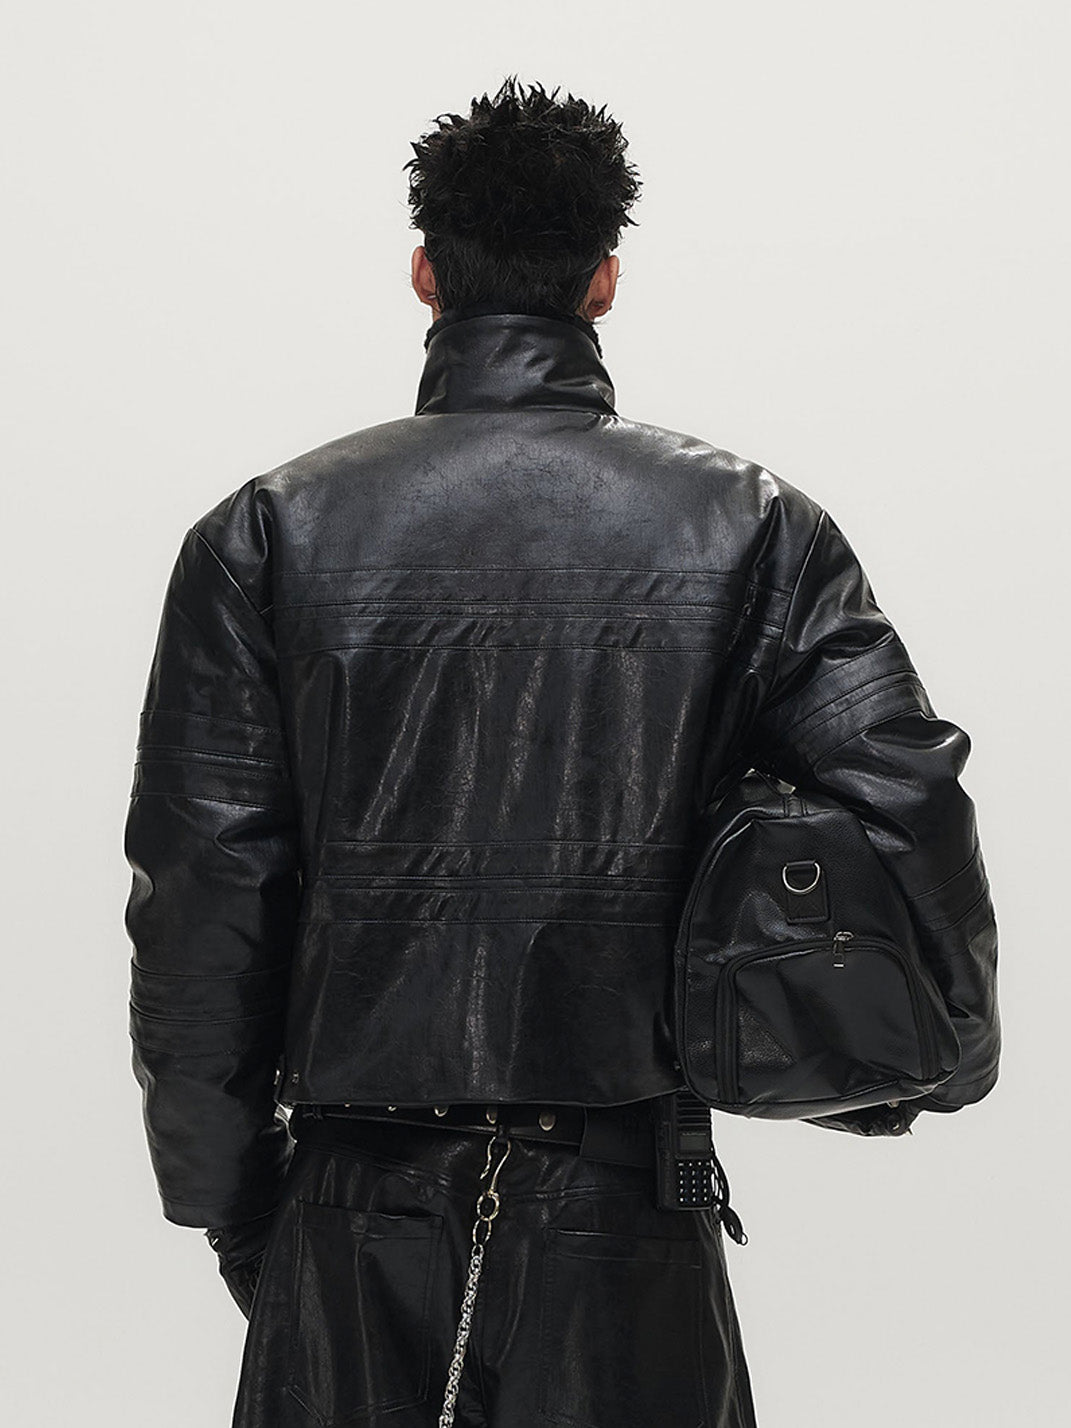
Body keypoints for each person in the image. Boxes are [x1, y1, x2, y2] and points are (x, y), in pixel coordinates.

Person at [123, 75, 1000, 1428]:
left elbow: (202, 895)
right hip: (635, 1204)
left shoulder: (265, 533)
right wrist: (919, 1064)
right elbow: (910, 805)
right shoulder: (755, 528)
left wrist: (233, 1205)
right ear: (603, 281)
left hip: (350, 1208)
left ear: (426, 273)